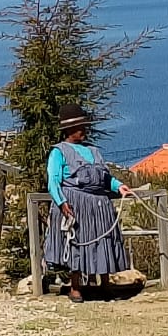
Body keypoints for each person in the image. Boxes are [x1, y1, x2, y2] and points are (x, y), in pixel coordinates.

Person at [43, 103, 134, 303]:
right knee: (77, 243)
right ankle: (75, 287)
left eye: (84, 127)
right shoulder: (59, 152)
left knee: (103, 241)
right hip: (76, 204)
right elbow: (53, 181)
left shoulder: (93, 151)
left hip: (99, 206)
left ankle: (105, 284)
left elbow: (104, 177)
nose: (83, 131)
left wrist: (118, 186)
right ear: (68, 130)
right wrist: (62, 202)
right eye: (79, 128)